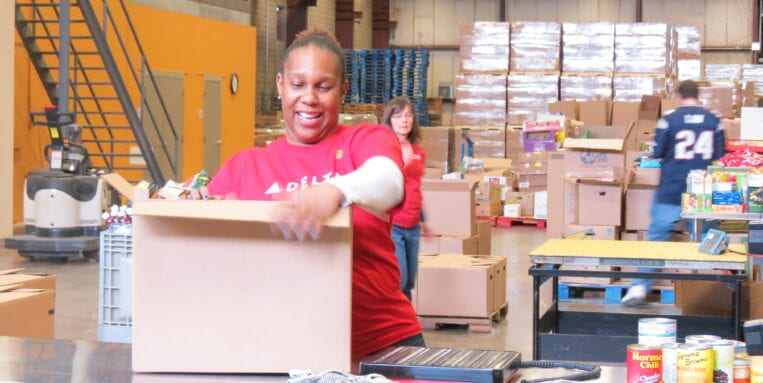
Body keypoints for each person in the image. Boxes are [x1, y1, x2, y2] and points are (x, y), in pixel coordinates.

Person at [201, 29, 424, 358]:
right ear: (280, 85)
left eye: (323, 86)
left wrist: (335, 190)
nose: (309, 98)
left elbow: (389, 180)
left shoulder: (363, 141)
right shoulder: (244, 167)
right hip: (281, 352)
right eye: (297, 84)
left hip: (382, 347)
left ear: (342, 90)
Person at [621, 80, 726, 306]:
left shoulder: (669, 119)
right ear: (698, 96)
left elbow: (657, 151)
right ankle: (709, 291)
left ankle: (639, 287)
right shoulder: (714, 120)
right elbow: (720, 152)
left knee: (657, 237)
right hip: (702, 191)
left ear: (679, 96)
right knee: (706, 240)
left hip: (671, 187)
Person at [380, 96, 431, 302]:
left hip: (413, 225)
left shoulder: (418, 151)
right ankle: (400, 323)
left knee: (410, 281)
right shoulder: (385, 150)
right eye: (398, 116)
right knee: (399, 280)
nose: (404, 120)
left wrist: (424, 220)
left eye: (408, 115)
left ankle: (405, 322)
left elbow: (415, 188)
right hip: (394, 225)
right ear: (389, 120)